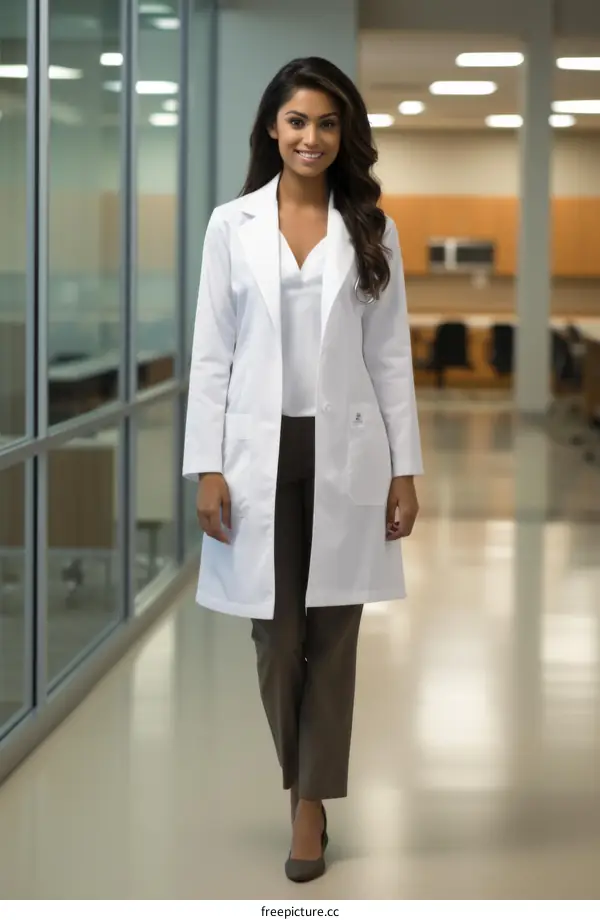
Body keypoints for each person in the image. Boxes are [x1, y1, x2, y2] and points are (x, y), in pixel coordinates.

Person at [183, 56, 423, 883]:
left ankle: (310, 808)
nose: (311, 137)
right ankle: (306, 781)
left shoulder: (371, 228)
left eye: (326, 123)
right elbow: (211, 355)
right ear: (273, 131)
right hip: (258, 454)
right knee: (277, 638)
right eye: (296, 122)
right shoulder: (230, 226)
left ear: (343, 132)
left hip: (347, 451)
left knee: (335, 634)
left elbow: (390, 356)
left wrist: (406, 469)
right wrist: (206, 467)